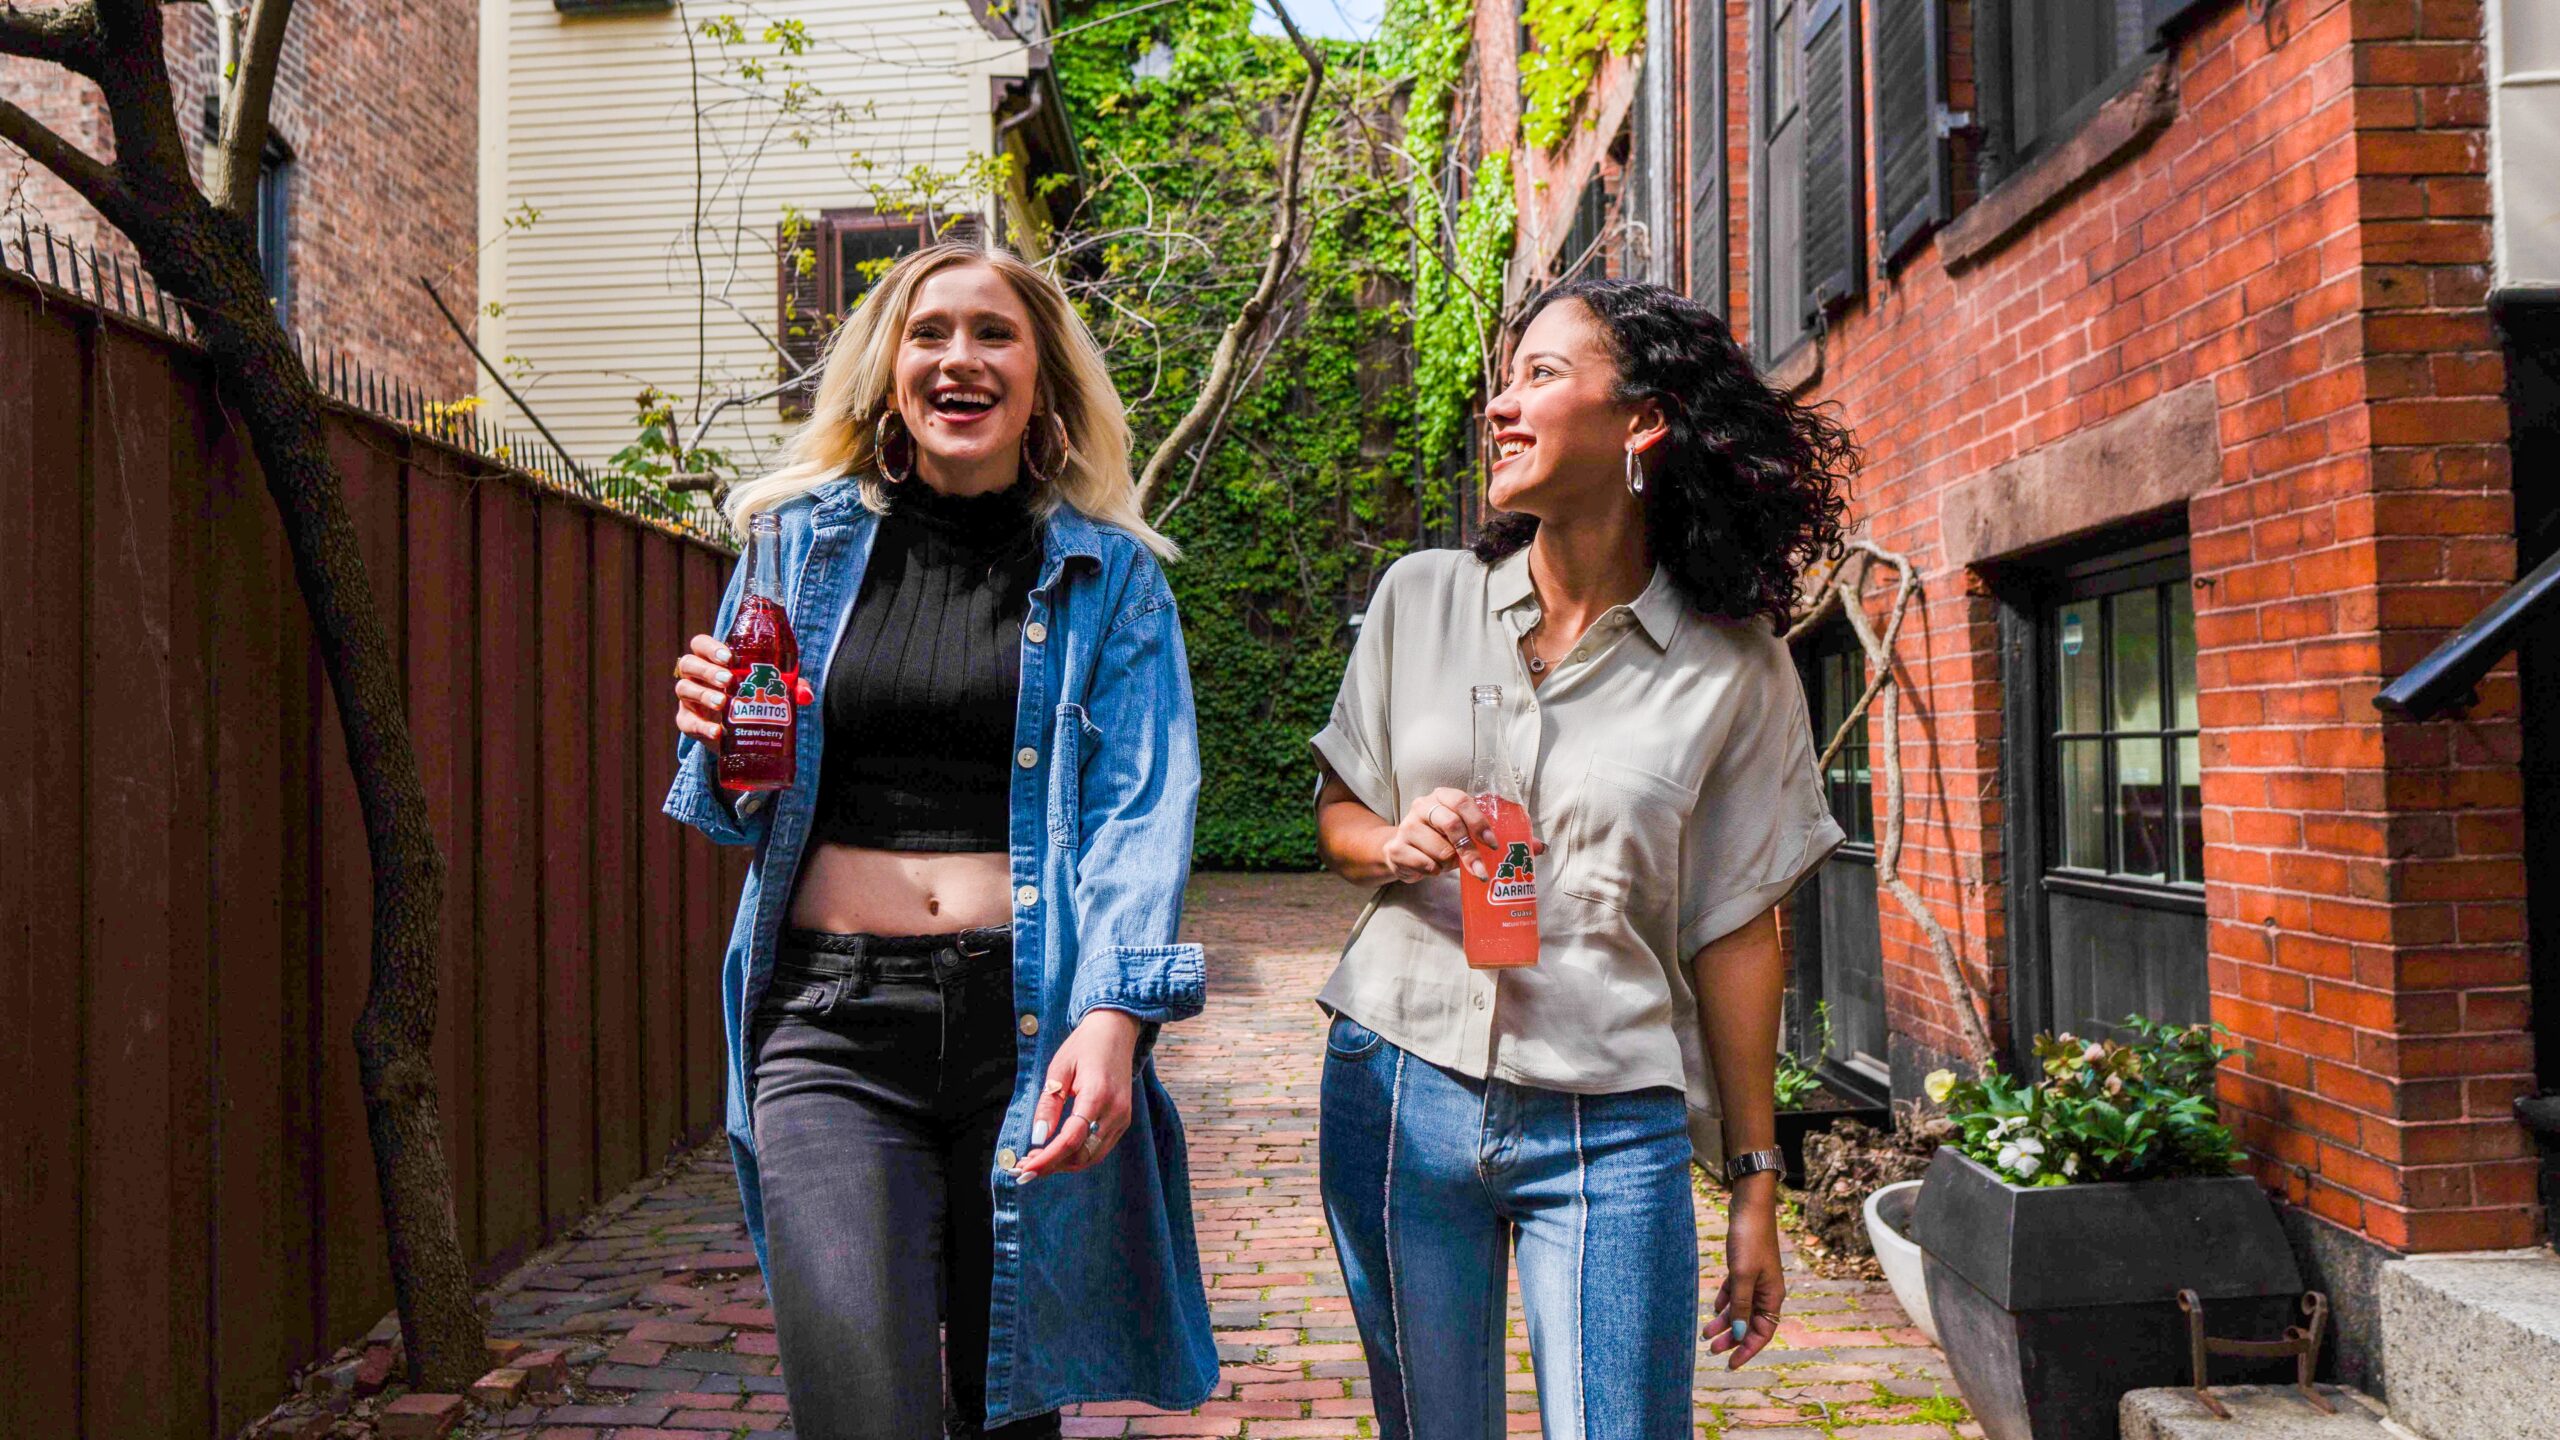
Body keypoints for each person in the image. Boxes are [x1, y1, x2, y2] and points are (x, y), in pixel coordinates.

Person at [661, 240, 1218, 1439]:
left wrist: (1116, 1018)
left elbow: (1139, 812)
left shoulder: (1110, 580)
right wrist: (714, 737)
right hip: (827, 1027)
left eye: (993, 333)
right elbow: (730, 805)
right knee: (866, 1403)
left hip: (1029, 1026)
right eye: (928, 333)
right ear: (887, 373)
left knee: (1008, 1410)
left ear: (1044, 381)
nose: (958, 357)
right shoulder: (792, 546)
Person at [1308, 278, 1856, 1438]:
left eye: (1540, 376)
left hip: (1610, 1122)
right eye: (1503, 381)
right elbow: (1341, 813)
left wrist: (1754, 1189)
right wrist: (1392, 841)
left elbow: (1736, 930)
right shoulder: (1422, 598)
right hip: (1398, 1082)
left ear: (1641, 421)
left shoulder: (1733, 668)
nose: (1502, 406)